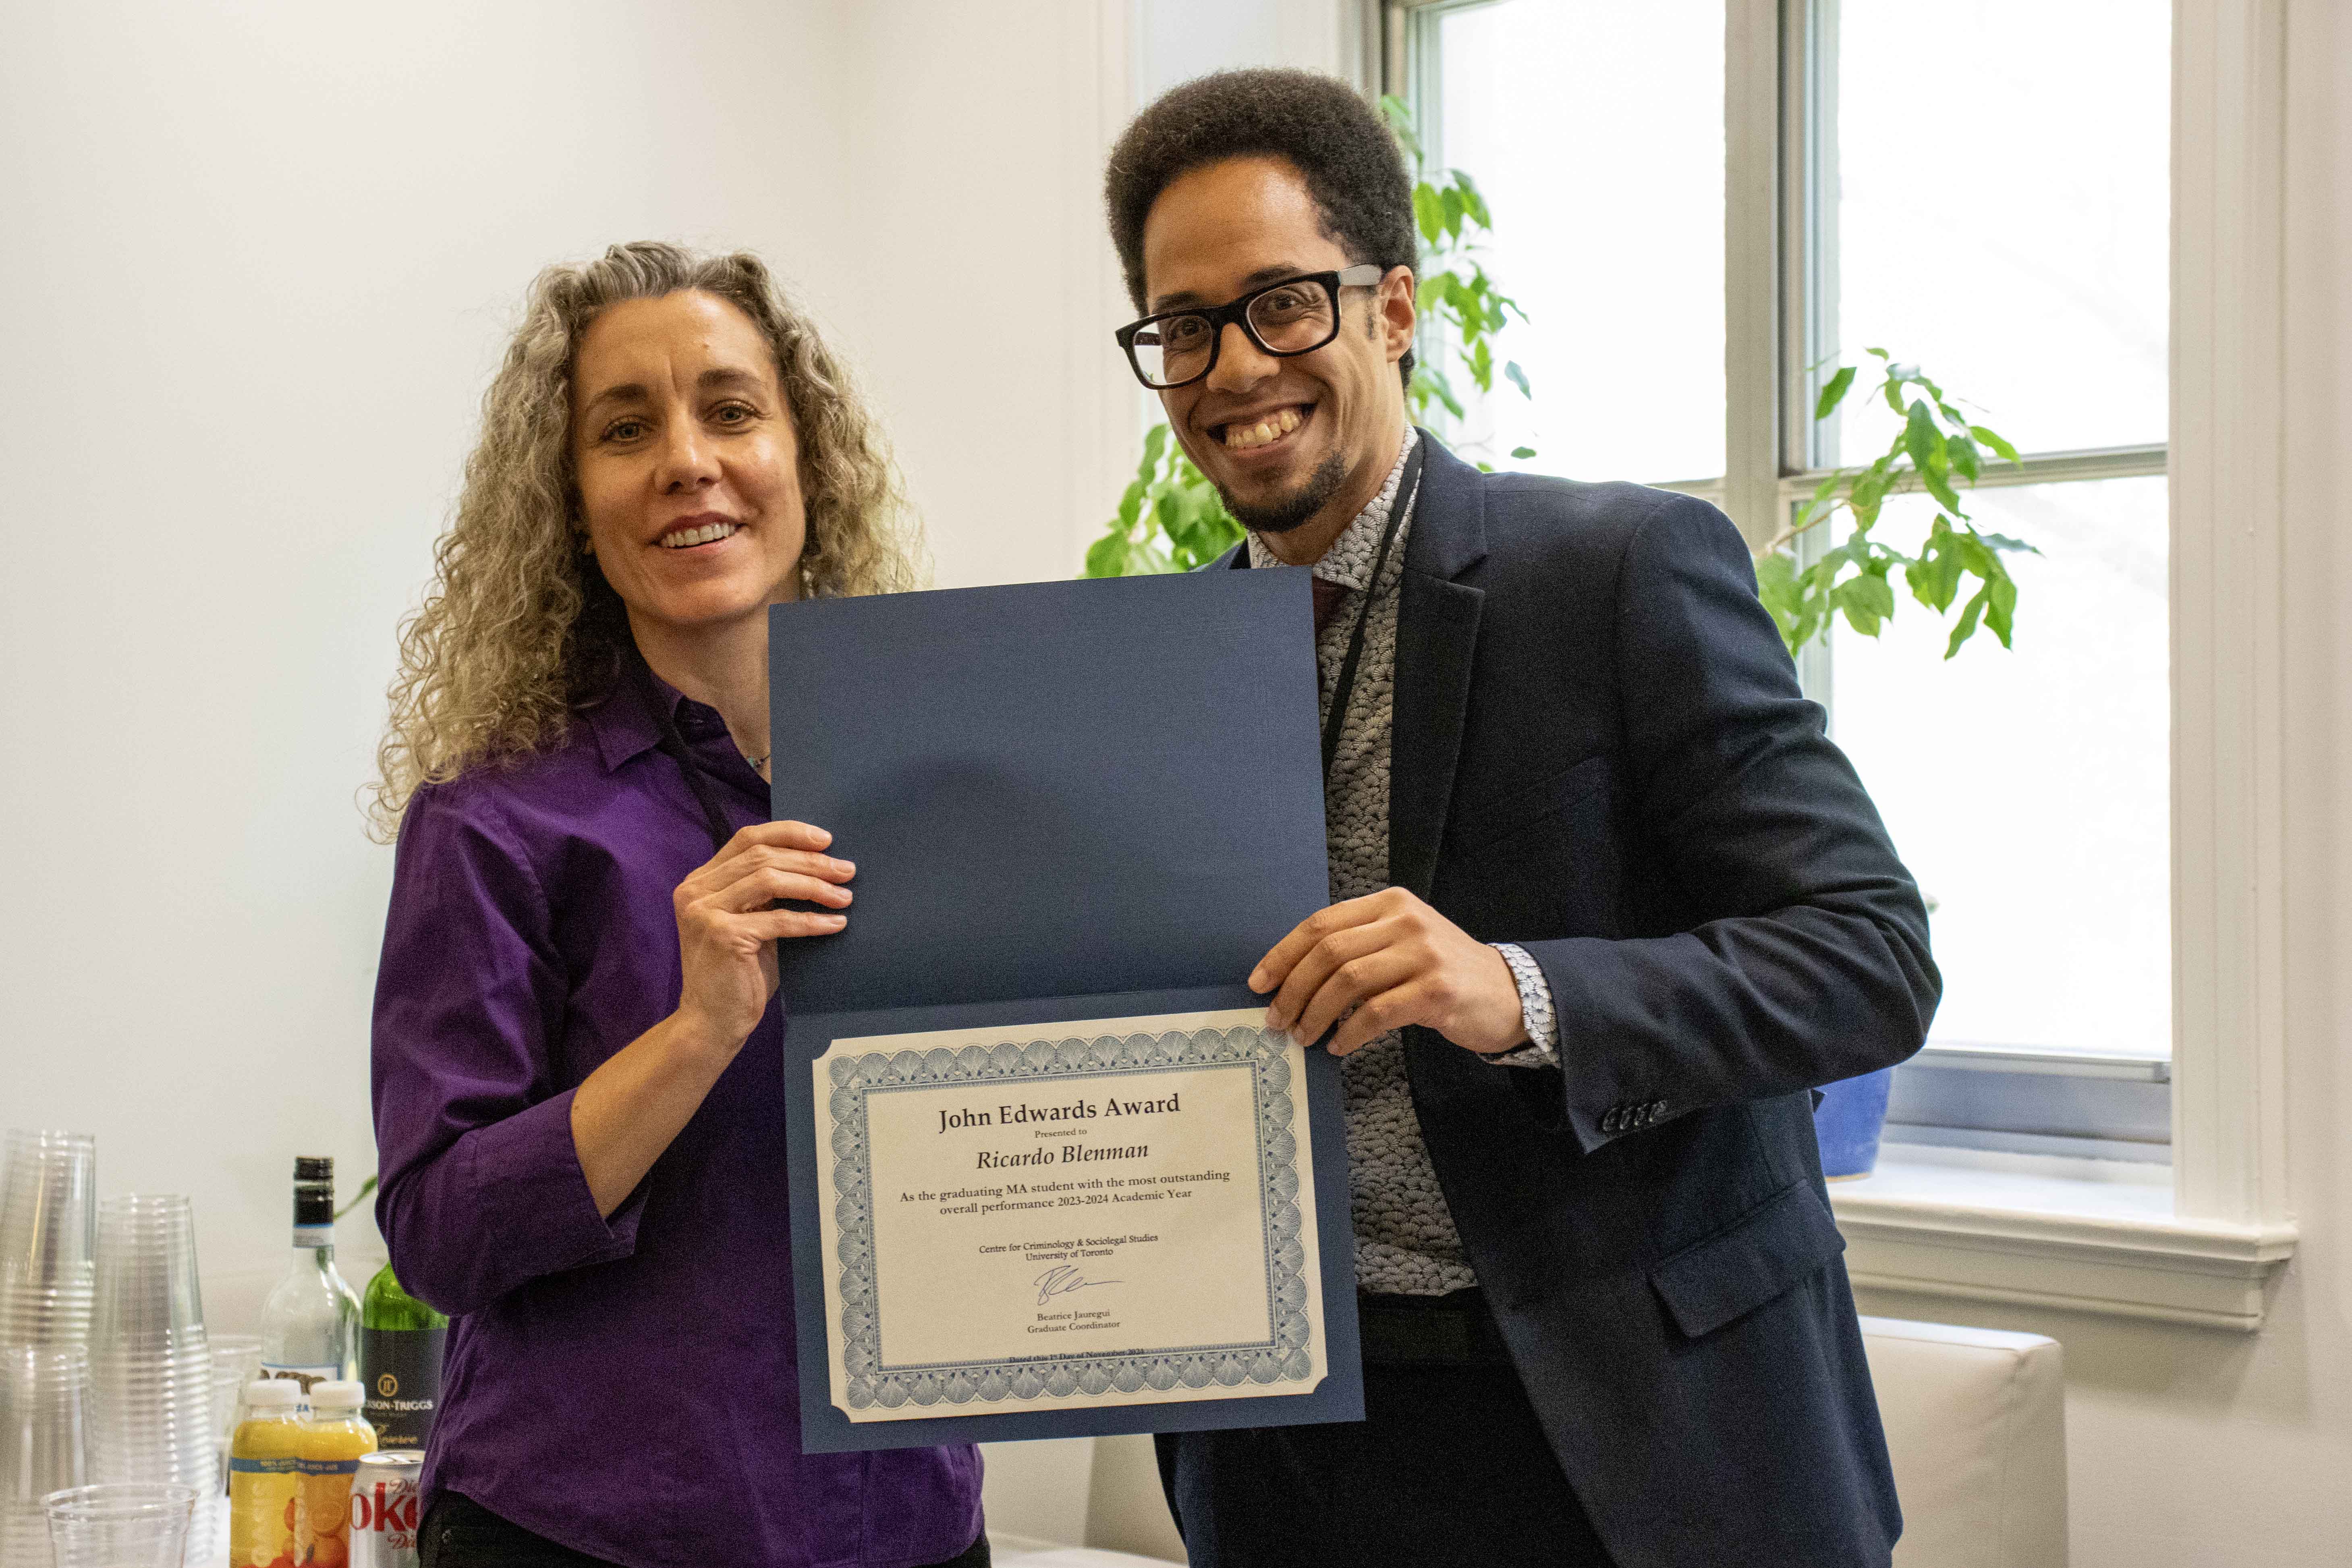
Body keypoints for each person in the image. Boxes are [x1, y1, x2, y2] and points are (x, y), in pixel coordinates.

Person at [1103, 71, 1939, 1567]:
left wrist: (1520, 991)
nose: (1235, 366)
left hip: (1630, 1443)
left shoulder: (1620, 568)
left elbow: (1872, 955)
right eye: (1185, 326)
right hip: (1288, 1453)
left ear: (1395, 307)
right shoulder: (1147, 671)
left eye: (1283, 302)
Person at [367, 242, 987, 1568]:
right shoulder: (493, 820)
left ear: (803, 454)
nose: (687, 462)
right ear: (570, 501)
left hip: (908, 1526)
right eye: (625, 428)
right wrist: (696, 1028)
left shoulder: (941, 790)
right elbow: (437, 1232)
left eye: (731, 408)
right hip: (583, 1533)